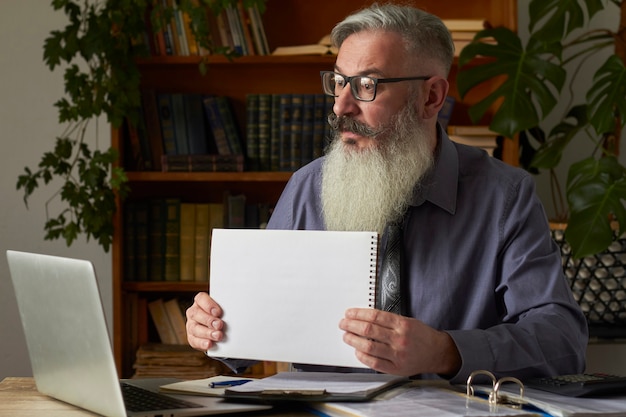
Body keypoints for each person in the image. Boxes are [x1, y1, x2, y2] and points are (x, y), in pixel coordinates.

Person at [186, 3, 588, 383]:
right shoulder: (307, 188)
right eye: (339, 82)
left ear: (431, 97)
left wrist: (446, 351)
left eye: (366, 85)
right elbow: (248, 336)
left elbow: (562, 340)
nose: (341, 106)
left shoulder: (505, 196)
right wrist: (215, 327)